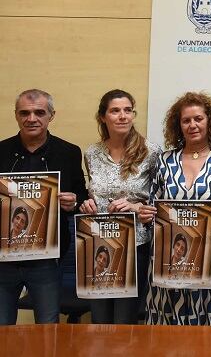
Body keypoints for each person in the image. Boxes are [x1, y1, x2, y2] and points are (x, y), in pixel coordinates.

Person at [147, 92, 211, 326]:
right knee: (166, 323)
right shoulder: (164, 160)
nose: (192, 125)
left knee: (207, 323)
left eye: (198, 118)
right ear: (178, 125)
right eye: (186, 120)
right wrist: (147, 213)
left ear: (209, 121)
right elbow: (152, 204)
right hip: (168, 257)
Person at [0, 89, 88, 325]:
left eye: (39, 112)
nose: (31, 118)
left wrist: (74, 202)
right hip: (4, 260)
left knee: (48, 327)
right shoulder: (1, 151)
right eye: (24, 113)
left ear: (51, 115)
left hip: (46, 260)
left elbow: (81, 195)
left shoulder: (68, 152)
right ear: (16, 115)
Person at [79, 89, 161, 324]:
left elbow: (159, 200)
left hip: (134, 245)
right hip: (97, 245)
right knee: (100, 319)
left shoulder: (151, 151)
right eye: (115, 111)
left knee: (125, 322)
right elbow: (92, 192)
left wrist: (136, 207)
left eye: (128, 110)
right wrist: (87, 203)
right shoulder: (92, 153)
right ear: (103, 117)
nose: (123, 116)